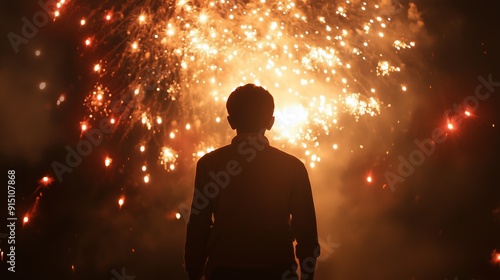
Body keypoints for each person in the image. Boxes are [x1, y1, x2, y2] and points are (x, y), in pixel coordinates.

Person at [184, 84, 319, 280]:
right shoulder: (293, 167)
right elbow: (307, 233)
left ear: (231, 121)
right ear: (271, 122)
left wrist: (194, 271)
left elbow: (198, 226)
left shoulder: (209, 164)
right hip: (278, 271)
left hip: (225, 271)